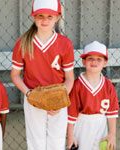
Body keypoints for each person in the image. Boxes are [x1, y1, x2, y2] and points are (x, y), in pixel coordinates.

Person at [10, 0, 75, 149]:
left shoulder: (65, 43)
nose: (45, 20)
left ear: (58, 17)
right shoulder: (23, 43)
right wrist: (29, 94)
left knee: (57, 141)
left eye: (50, 16)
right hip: (34, 97)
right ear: (33, 16)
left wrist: (59, 101)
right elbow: (15, 75)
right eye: (40, 16)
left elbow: (70, 78)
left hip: (58, 97)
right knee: (35, 141)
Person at [67, 41, 119, 150]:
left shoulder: (108, 86)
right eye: (90, 58)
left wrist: (112, 134)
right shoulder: (77, 85)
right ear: (83, 61)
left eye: (99, 59)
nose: (94, 62)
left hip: (101, 125)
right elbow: (71, 114)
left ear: (105, 63)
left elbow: (112, 113)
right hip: (82, 125)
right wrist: (70, 136)